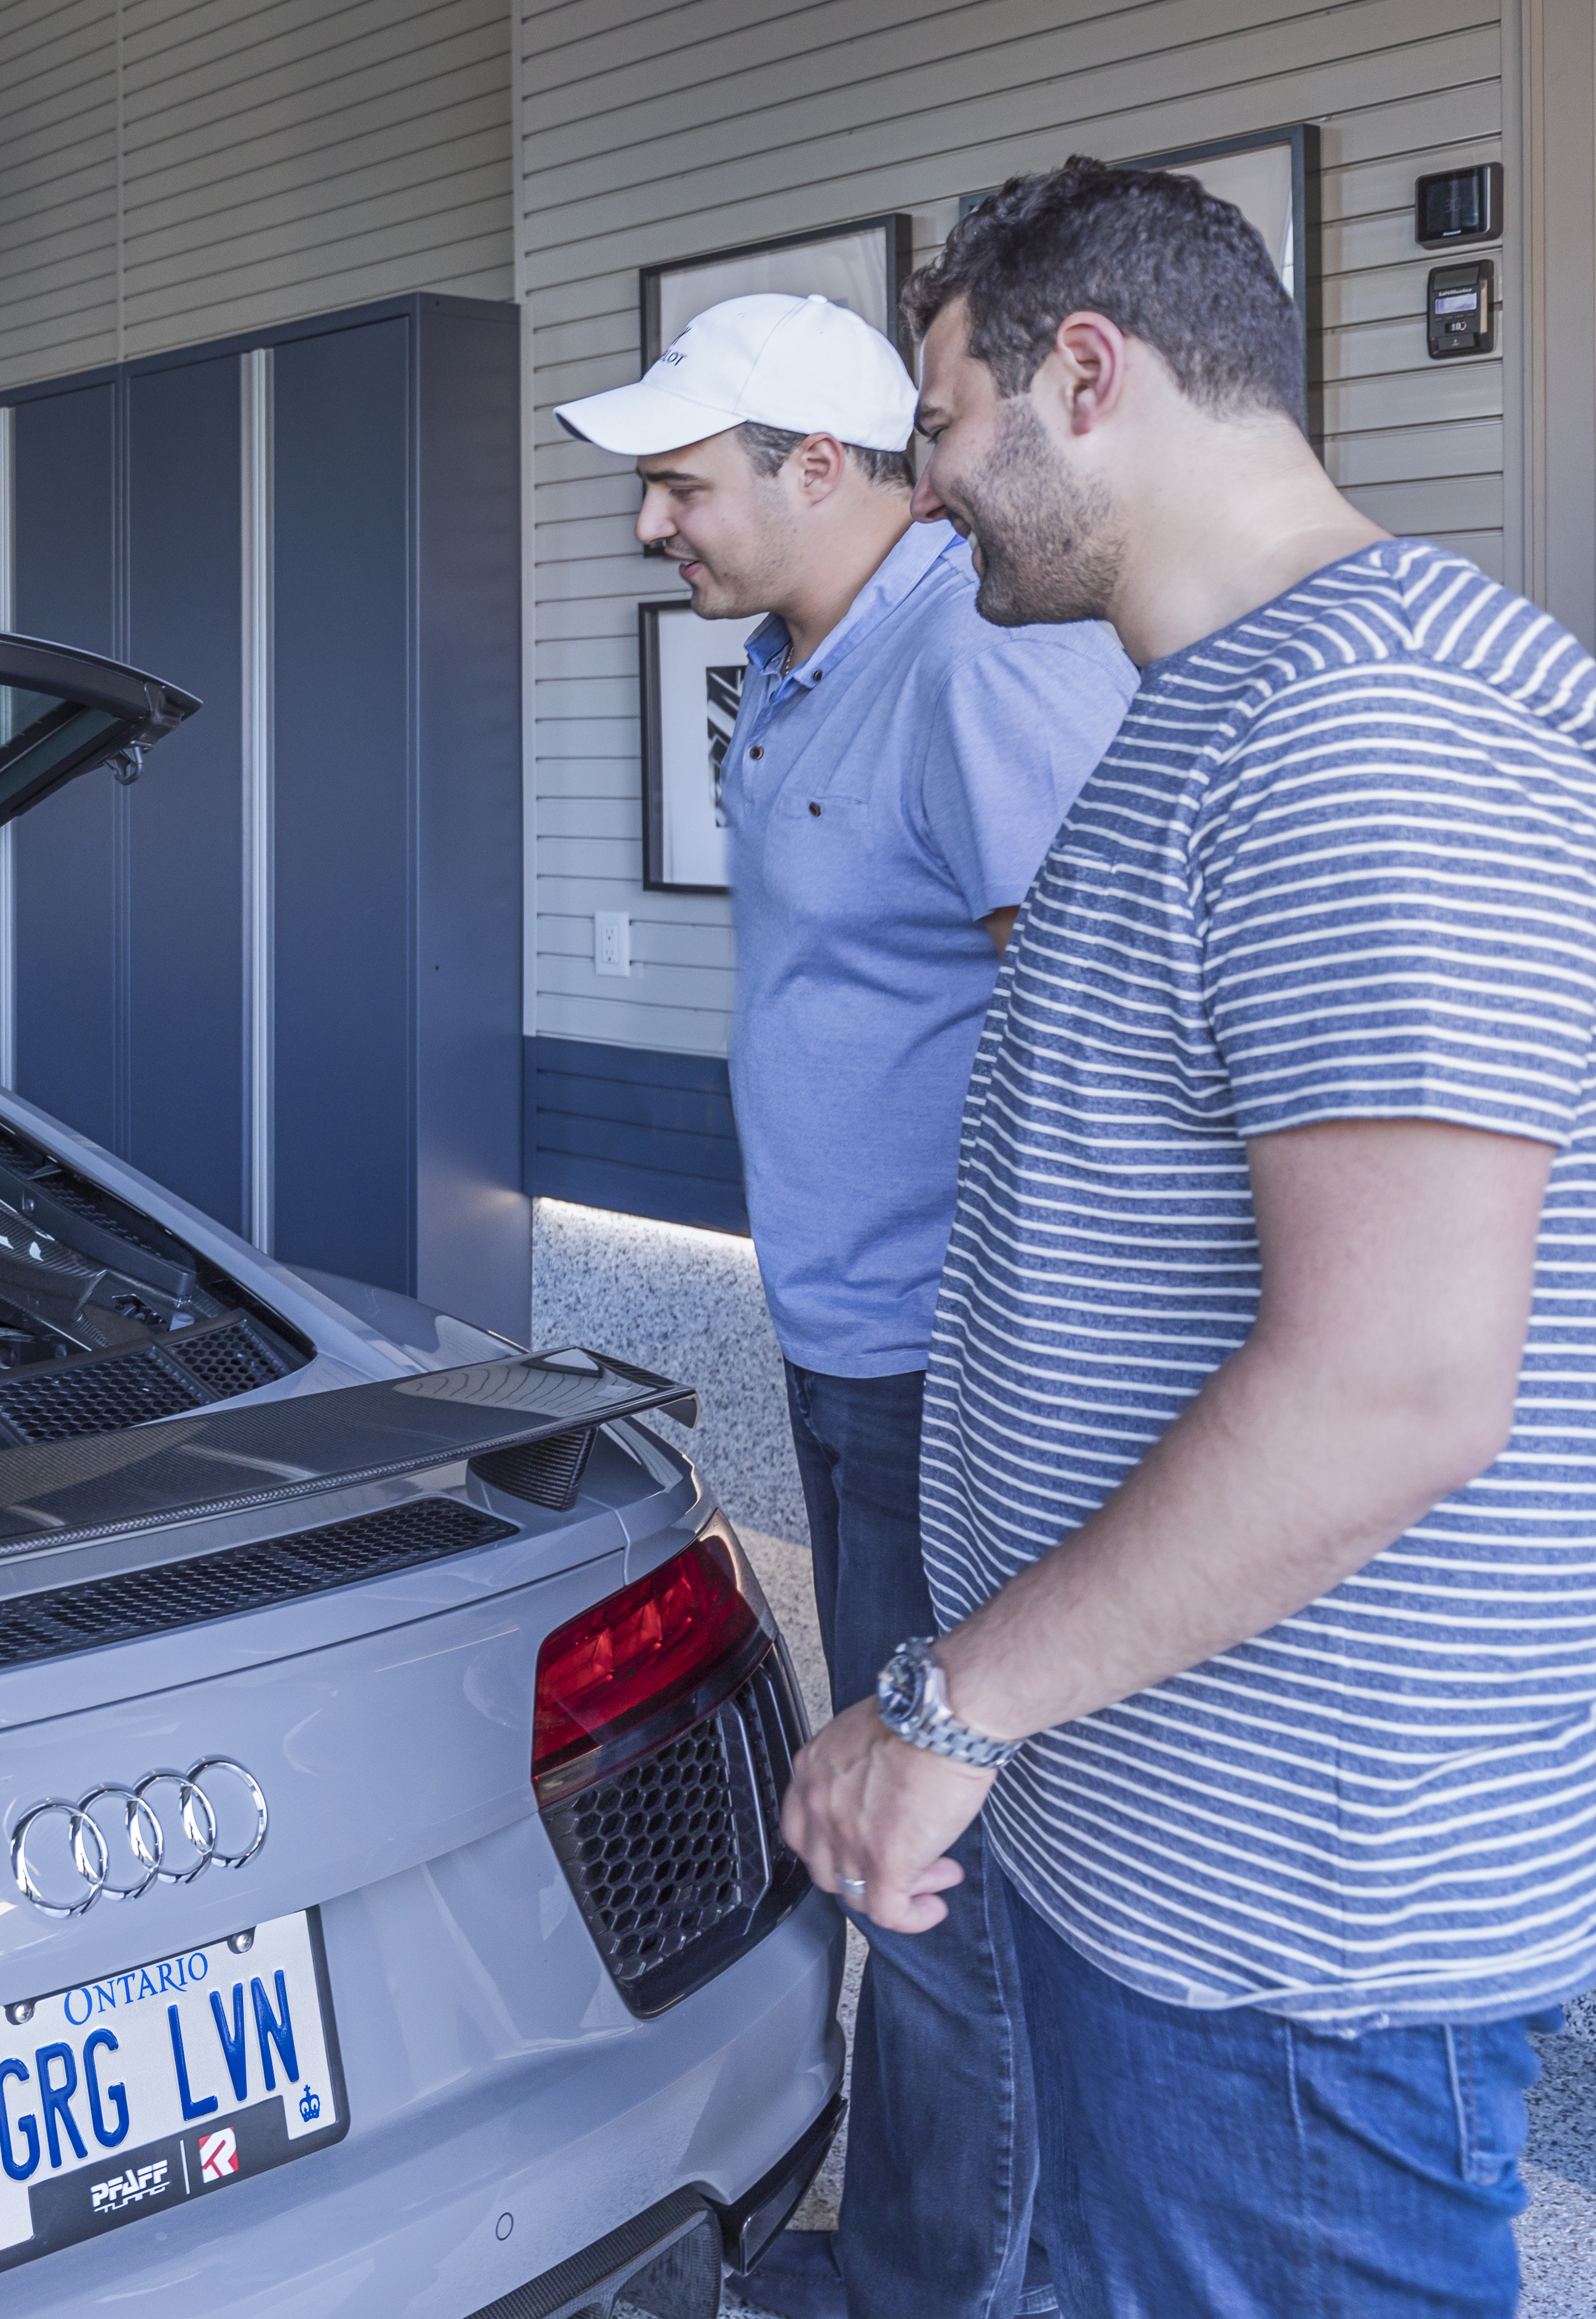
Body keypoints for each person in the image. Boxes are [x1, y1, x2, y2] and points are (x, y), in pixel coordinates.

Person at [783, 155, 1596, 2317]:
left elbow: (1396, 1378)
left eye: (945, 432)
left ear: (1088, 370)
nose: (929, 496)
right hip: (1168, 1874)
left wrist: (949, 1709)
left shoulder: (1369, 729)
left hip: (1298, 1949)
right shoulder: (1222, 710)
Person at [556, 293, 1134, 2318]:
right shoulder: (807, 671)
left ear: (822, 462)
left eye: (681, 483)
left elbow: (1093, 1062)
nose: (651, 524)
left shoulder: (979, 666)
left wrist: (1015, 1370)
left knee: (934, 1861)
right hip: (851, 1351)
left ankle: (942, 2291)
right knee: (911, 1848)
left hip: (950, 1381)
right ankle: (924, 2243)